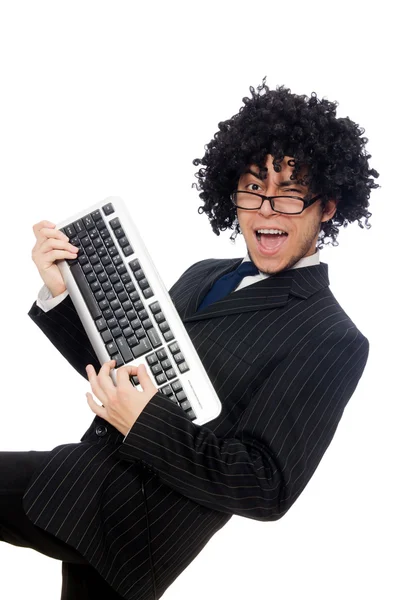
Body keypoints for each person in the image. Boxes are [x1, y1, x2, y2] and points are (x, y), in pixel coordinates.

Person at [0, 77, 379, 600]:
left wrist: (144, 419)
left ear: (328, 207)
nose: (267, 210)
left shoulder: (333, 338)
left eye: (289, 196)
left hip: (137, 522)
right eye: (253, 189)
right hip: (90, 480)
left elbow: (265, 485)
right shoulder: (204, 273)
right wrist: (63, 293)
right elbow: (126, 370)